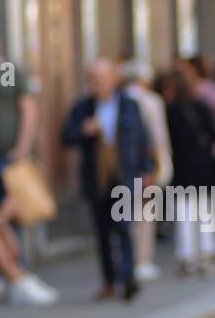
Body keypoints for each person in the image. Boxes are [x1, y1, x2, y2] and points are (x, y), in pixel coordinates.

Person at [0, 29, 59, 306]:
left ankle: (17, 272)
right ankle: (0, 274)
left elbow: (28, 109)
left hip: (7, 159)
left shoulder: (8, 73)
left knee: (9, 216)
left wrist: (22, 147)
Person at [61, 58, 153, 301]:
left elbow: (144, 139)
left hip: (123, 174)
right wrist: (84, 130)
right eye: (93, 80)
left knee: (123, 228)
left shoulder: (129, 105)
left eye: (101, 79)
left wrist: (147, 170)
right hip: (97, 177)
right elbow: (66, 136)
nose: (97, 85)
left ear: (113, 80)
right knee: (103, 232)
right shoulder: (83, 107)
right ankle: (110, 281)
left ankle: (129, 278)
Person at [158, 68, 215, 275]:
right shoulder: (201, 107)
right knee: (204, 211)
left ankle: (187, 255)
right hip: (201, 164)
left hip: (181, 166)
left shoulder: (170, 110)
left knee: (184, 213)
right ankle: (207, 253)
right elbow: (213, 134)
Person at [122, 60, 173, 282]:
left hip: (124, 164)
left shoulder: (120, 99)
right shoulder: (151, 101)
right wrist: (158, 163)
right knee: (144, 214)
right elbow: (158, 137)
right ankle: (141, 259)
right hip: (145, 164)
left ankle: (129, 258)